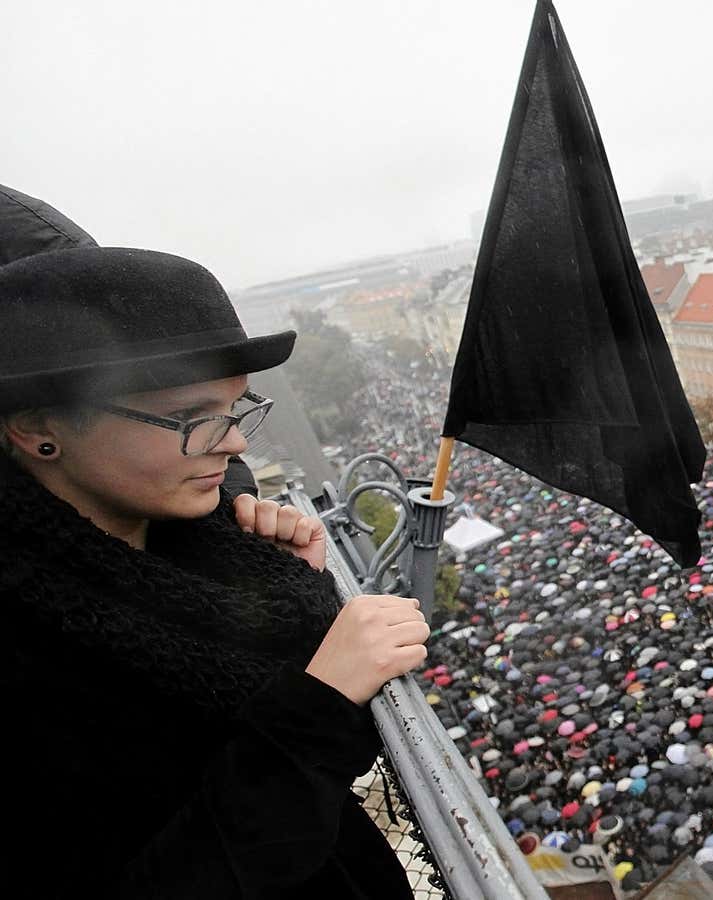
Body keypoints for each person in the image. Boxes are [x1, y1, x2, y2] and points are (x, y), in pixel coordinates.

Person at [0, 246, 426, 897]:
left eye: (236, 409)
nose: (235, 442)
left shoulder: (212, 538)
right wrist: (319, 706)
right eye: (194, 419)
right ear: (37, 429)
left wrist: (281, 580)